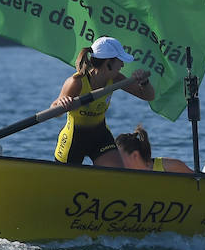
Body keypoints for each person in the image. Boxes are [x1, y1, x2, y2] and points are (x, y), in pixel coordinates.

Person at [52, 36, 155, 167]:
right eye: (120, 61)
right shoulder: (76, 82)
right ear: (108, 63)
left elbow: (148, 96)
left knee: (116, 174)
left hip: (100, 135)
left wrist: (144, 83)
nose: (122, 65)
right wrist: (61, 104)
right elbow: (54, 109)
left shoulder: (116, 79)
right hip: (73, 138)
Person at [114, 125, 193, 174]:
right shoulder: (120, 176)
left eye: (120, 158)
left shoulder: (171, 166)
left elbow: (198, 183)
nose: (117, 163)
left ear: (135, 155)